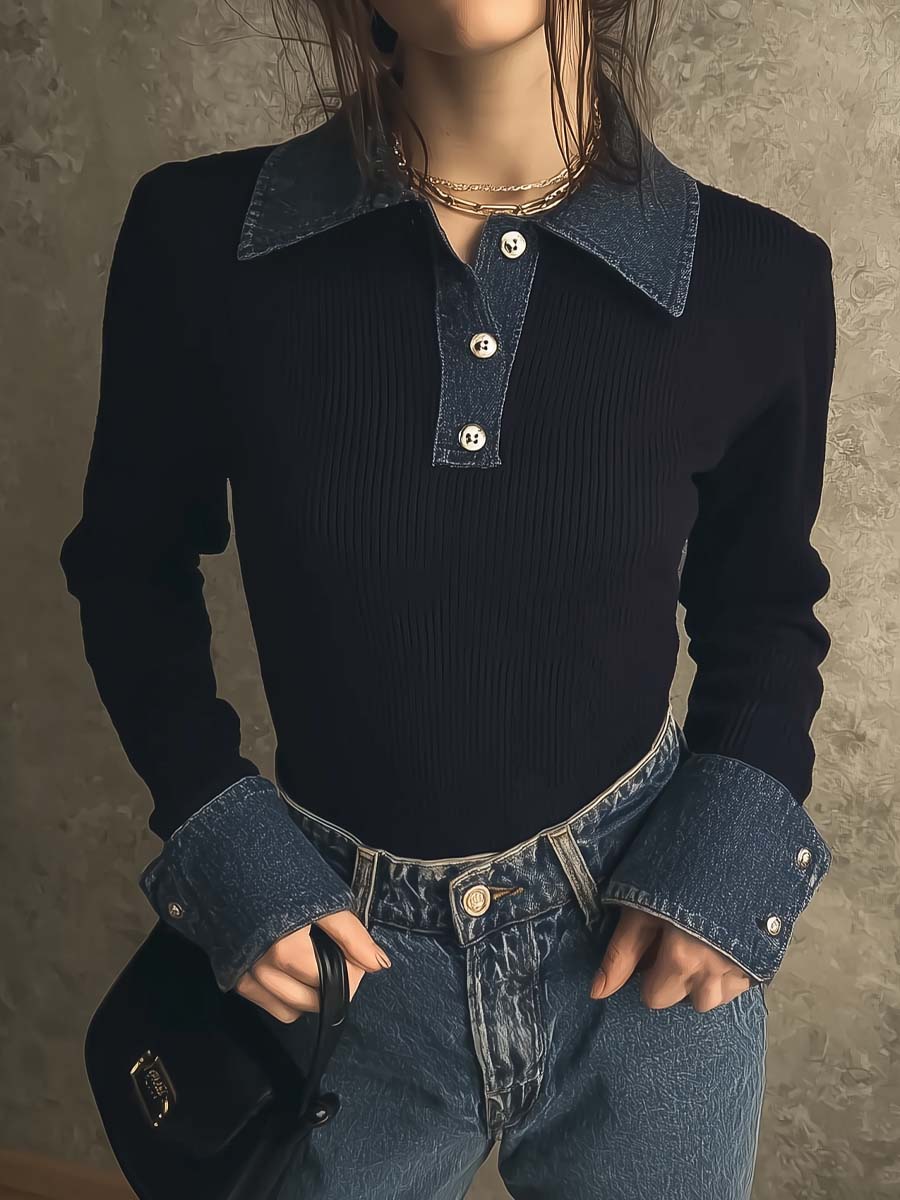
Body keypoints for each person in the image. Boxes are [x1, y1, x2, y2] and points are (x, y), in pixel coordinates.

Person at [59, 2, 837, 1197]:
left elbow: (766, 605)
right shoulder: (201, 238)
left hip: (643, 950)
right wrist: (220, 835)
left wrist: (733, 842)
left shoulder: (759, 276)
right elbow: (128, 565)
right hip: (333, 959)